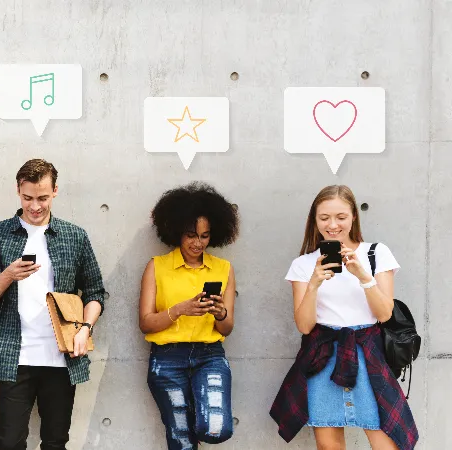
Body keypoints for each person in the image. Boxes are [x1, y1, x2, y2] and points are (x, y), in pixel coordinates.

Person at [270, 185, 418, 450]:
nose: (332, 225)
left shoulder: (376, 253)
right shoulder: (304, 264)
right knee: (329, 446)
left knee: (388, 443)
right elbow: (305, 325)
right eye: (324, 217)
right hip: (322, 355)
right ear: (314, 220)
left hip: (368, 352)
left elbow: (384, 314)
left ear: (353, 218)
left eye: (341, 217)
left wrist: (363, 276)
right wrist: (314, 284)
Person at [0, 158, 106, 450]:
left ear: (55, 191)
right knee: (9, 443)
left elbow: (96, 293)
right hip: (15, 356)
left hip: (62, 357)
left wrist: (84, 329)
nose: (35, 206)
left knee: (56, 442)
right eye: (28, 198)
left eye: (43, 198)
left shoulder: (74, 236)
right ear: (18, 191)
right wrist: (8, 275)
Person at [137, 182, 238, 450]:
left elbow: (226, 328)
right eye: (191, 235)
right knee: (181, 440)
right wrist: (180, 310)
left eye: (204, 236)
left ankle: (195, 414)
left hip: (210, 356)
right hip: (167, 358)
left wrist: (220, 312)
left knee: (215, 429)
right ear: (177, 231)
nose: (197, 243)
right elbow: (146, 322)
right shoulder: (157, 267)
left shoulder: (224, 269)